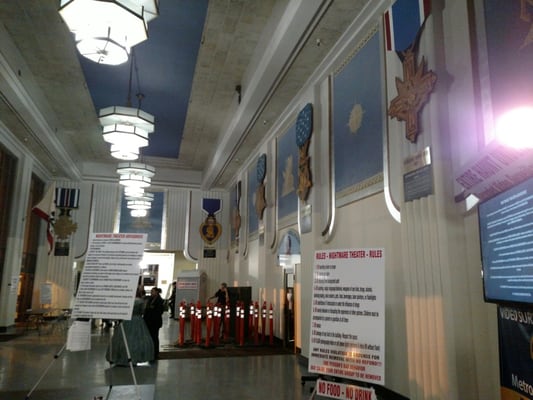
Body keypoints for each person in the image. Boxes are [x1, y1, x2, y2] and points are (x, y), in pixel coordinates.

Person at [106, 288, 154, 366]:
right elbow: (142, 311)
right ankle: (136, 357)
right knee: (138, 339)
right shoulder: (141, 301)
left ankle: (121, 356)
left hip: (127, 321)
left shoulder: (127, 301)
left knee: (123, 338)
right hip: (138, 321)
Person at [143, 286, 165, 360]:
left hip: (155, 322)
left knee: (155, 337)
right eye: (151, 292)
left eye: (153, 291)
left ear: (156, 292)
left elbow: (159, 311)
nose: (151, 293)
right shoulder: (150, 299)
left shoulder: (159, 301)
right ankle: (151, 352)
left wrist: (151, 310)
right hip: (149, 322)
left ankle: (155, 353)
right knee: (150, 337)